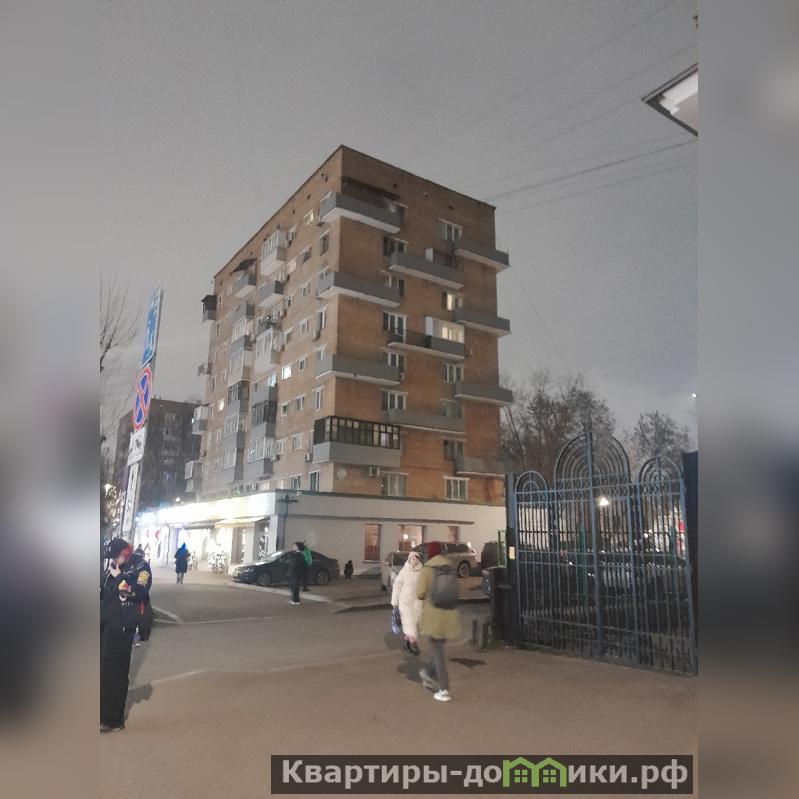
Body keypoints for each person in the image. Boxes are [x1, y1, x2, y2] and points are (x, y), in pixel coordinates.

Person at [101, 538, 152, 732]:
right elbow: (105, 593)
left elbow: (137, 592)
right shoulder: (113, 568)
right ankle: (102, 714)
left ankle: (113, 720)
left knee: (117, 673)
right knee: (103, 673)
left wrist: (120, 577)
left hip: (123, 627)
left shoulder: (141, 567)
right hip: (106, 625)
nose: (113, 560)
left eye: (115, 556)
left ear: (125, 553)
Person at [416, 541, 460, 702]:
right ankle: (428, 673)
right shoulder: (450, 567)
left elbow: (419, 593)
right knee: (437, 648)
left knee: (437, 651)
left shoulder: (427, 569)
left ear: (429, 553)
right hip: (449, 615)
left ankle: (444, 689)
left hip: (434, 616)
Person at [391, 550, 423, 655]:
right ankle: (412, 644)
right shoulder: (404, 571)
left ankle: (407, 643)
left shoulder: (421, 571)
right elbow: (397, 586)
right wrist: (395, 603)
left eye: (416, 559)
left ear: (418, 560)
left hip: (417, 602)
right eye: (412, 558)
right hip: (405, 602)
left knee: (416, 624)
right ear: (409, 560)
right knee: (409, 623)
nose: (414, 561)